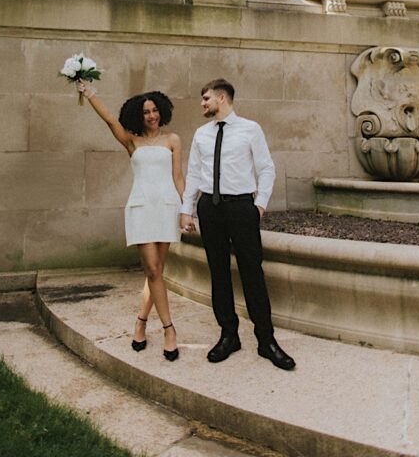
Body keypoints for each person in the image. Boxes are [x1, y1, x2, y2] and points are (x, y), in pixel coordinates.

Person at [180, 78, 295, 370]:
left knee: (252, 272)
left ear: (221, 98)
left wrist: (259, 205)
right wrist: (187, 209)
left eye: (206, 98)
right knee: (218, 273)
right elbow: (193, 172)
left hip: (242, 207)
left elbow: (266, 167)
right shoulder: (201, 134)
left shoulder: (250, 129)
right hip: (210, 208)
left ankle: (266, 340)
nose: (202, 104)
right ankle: (229, 335)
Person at [78, 83, 183, 361]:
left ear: (162, 112)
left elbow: (178, 177)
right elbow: (110, 119)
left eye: (155, 110)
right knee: (152, 268)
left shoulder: (173, 139)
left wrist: (186, 210)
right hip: (141, 207)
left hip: (166, 207)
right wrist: (89, 93)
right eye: (146, 112)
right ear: (139, 115)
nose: (152, 116)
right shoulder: (131, 141)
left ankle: (140, 321)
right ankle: (169, 329)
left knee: (156, 271)